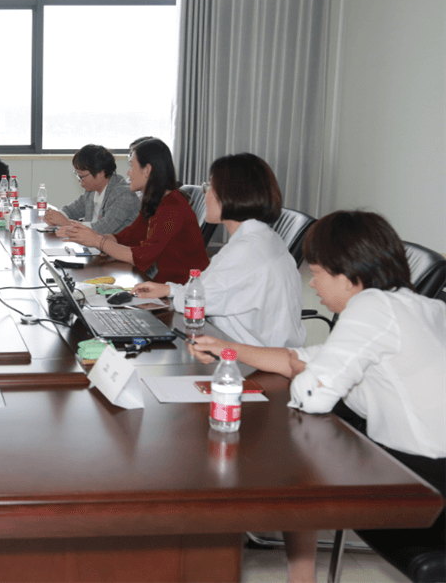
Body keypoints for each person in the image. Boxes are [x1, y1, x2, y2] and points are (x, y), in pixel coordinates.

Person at [188, 211, 446, 583]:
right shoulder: (420, 307)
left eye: (318, 272)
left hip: (425, 481)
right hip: (425, 466)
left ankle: (297, 573)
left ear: (347, 275)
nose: (313, 282)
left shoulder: (372, 308)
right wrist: (227, 349)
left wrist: (303, 372)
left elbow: (313, 394)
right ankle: (301, 575)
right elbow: (306, 359)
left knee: (295, 439)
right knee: (306, 436)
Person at [133, 153, 306, 348]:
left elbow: (195, 302)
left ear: (230, 195)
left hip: (249, 357)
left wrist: (174, 293)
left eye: (210, 187)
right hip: (257, 349)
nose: (205, 195)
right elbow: (209, 289)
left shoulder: (246, 251)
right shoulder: (264, 238)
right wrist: (169, 289)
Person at [63, 137, 208, 284]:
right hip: (163, 283)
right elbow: (129, 236)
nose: (128, 173)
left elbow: (142, 256)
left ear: (147, 170)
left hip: (184, 288)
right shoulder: (154, 202)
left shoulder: (171, 208)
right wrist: (94, 238)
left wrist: (98, 241)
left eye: (132, 166)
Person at [43, 144, 139, 234]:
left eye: (81, 176)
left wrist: (66, 223)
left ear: (100, 173)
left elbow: (104, 229)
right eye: (77, 175)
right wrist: (54, 216)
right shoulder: (92, 191)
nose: (79, 180)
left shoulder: (124, 195)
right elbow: (71, 210)